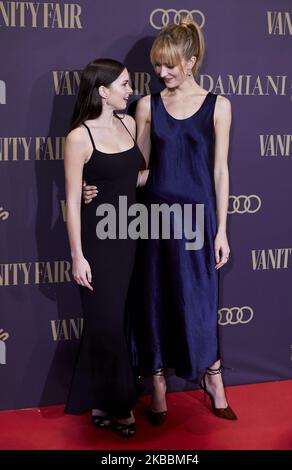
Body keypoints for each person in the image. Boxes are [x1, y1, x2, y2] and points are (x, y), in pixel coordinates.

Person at [83, 18, 237, 423]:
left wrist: (221, 230)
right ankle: (158, 387)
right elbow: (138, 168)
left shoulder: (218, 106)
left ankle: (213, 377)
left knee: (200, 301)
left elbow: (220, 172)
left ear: (191, 60)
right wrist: (95, 186)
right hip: (153, 219)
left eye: (169, 65)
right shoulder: (147, 106)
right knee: (152, 300)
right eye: (156, 66)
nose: (161, 73)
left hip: (197, 221)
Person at [64, 58, 145, 438]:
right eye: (125, 85)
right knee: (107, 323)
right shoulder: (79, 138)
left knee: (117, 322)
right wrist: (77, 256)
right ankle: (121, 404)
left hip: (131, 236)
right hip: (97, 243)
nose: (130, 90)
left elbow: (138, 175)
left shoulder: (129, 125)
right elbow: (71, 203)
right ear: (103, 91)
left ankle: (98, 400)